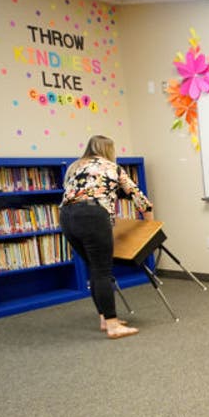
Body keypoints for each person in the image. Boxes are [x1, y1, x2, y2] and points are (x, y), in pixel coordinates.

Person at [60, 135, 154, 339]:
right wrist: (150, 225)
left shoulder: (74, 167)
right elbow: (138, 197)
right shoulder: (112, 167)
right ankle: (113, 325)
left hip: (66, 217)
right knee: (102, 271)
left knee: (94, 269)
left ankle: (104, 318)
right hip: (93, 216)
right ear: (108, 150)